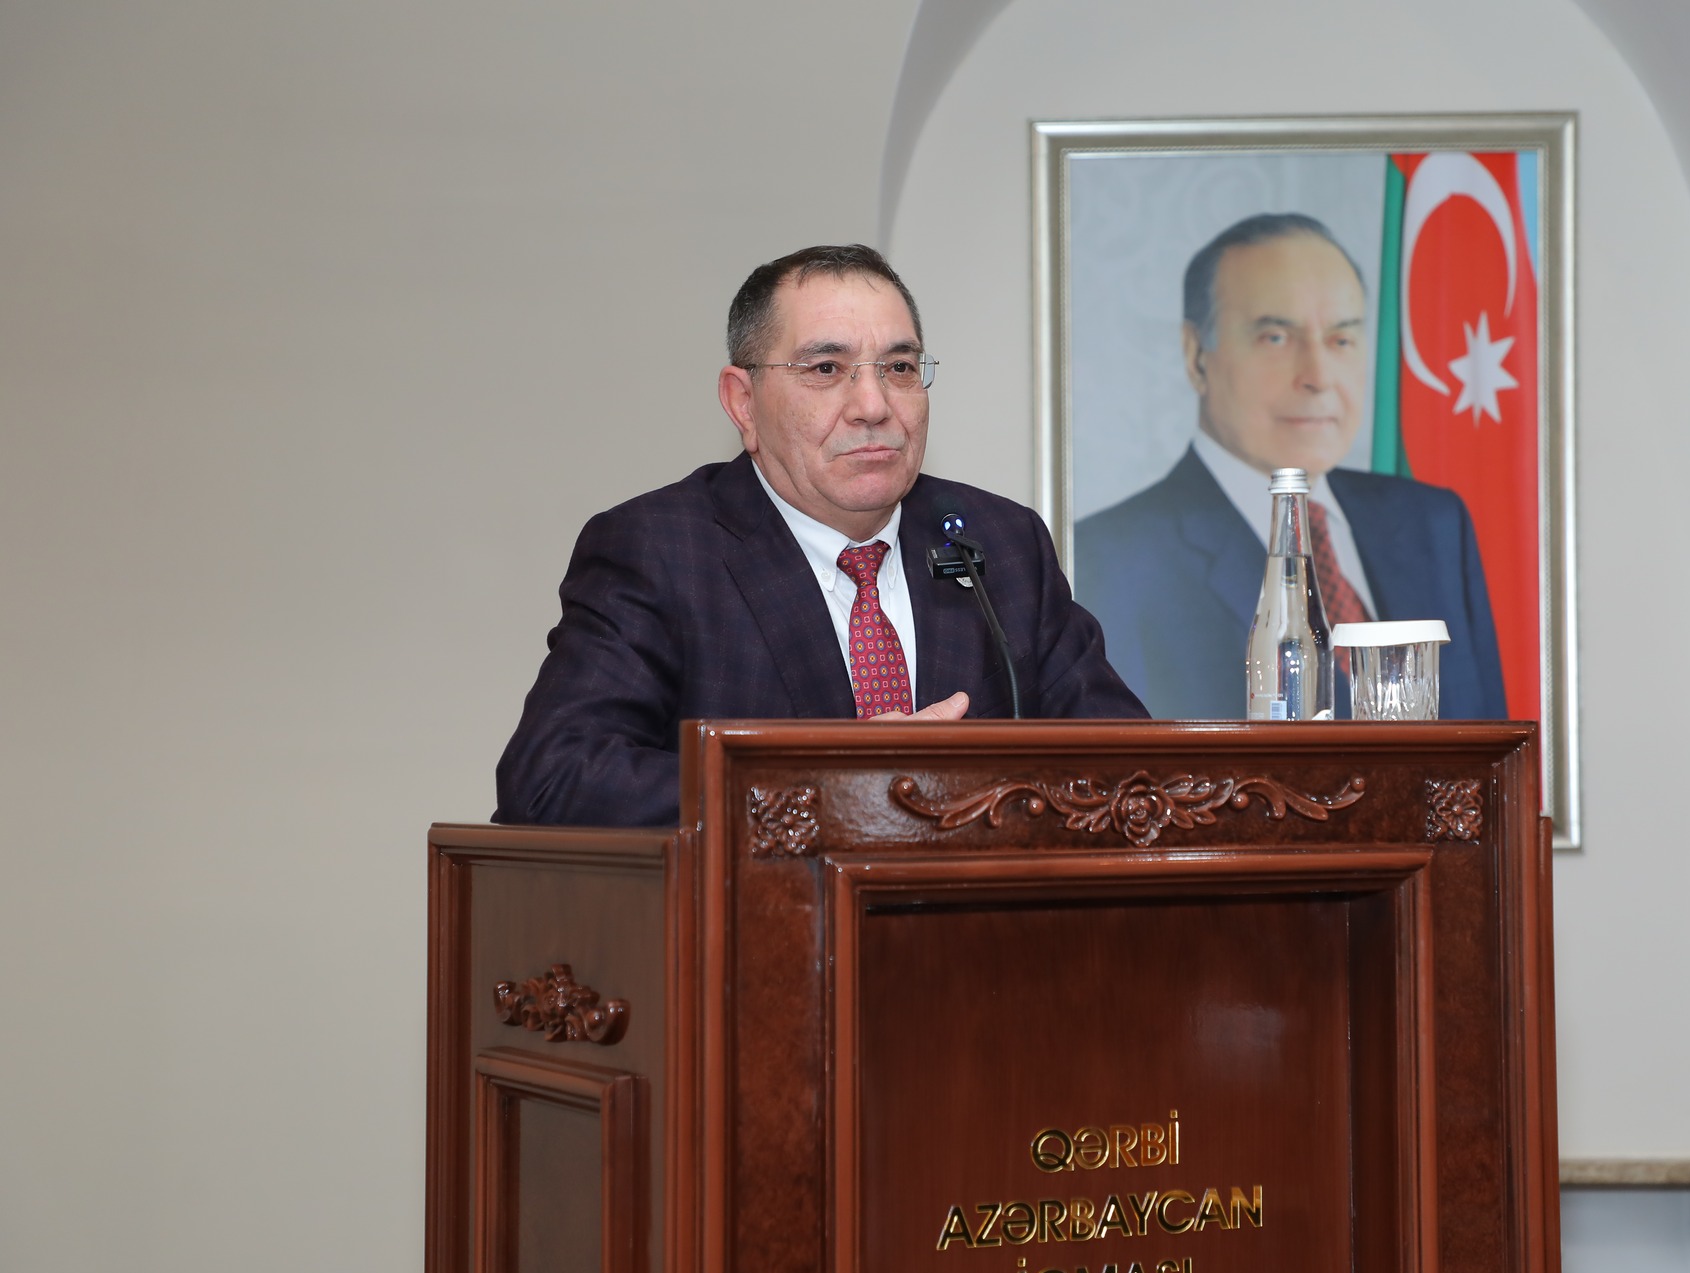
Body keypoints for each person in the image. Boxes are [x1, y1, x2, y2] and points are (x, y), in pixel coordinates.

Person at [496, 244, 1146, 827]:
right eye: (828, 369)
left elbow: (1132, 771)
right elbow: (552, 778)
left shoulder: (1001, 544)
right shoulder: (661, 551)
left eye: (899, 367)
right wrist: (837, 785)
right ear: (743, 402)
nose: (874, 406)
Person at [1073, 213, 1507, 720]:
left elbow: (1490, 745)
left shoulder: (1433, 523)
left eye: (1341, 340)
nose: (1318, 376)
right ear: (1196, 356)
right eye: (1276, 338)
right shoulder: (1111, 557)